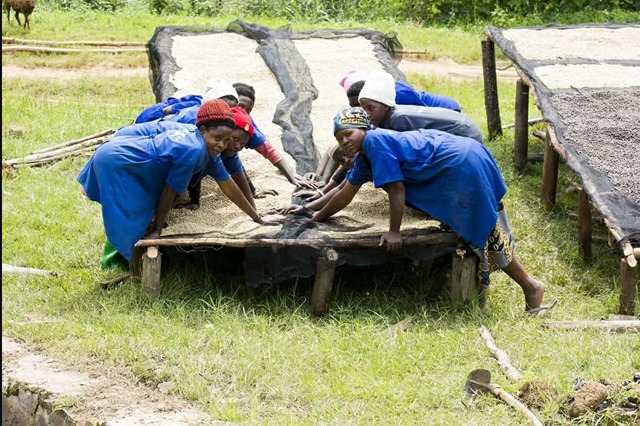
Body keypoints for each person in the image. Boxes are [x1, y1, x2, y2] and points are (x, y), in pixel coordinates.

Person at [311, 107, 546, 310]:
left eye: (348, 134)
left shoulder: (375, 143)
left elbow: (397, 189)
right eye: (339, 138)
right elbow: (344, 194)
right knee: (480, 231)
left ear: (364, 128)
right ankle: (509, 288)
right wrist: (314, 216)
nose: (344, 142)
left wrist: (394, 231)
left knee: (485, 232)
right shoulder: (365, 156)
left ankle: (531, 287)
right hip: (461, 158)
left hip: (460, 164)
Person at [77, 100, 272, 263]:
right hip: (120, 162)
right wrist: (158, 230)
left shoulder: (207, 148)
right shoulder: (193, 150)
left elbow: (229, 185)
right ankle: (124, 264)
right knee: (131, 216)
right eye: (218, 138)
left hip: (129, 158)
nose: (222, 144)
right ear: (203, 131)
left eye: (227, 140)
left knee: (137, 214)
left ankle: (126, 260)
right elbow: (170, 191)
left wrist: (256, 217)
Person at [358, 76, 484, 143]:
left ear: (386, 105)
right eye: (364, 110)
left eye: (371, 108)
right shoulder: (387, 118)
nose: (367, 114)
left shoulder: (399, 118)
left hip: (465, 134)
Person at [339, 69, 462, 112]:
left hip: (446, 109)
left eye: (357, 105)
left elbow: (421, 114)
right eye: (352, 106)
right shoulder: (376, 101)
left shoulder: (398, 94)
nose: (355, 110)